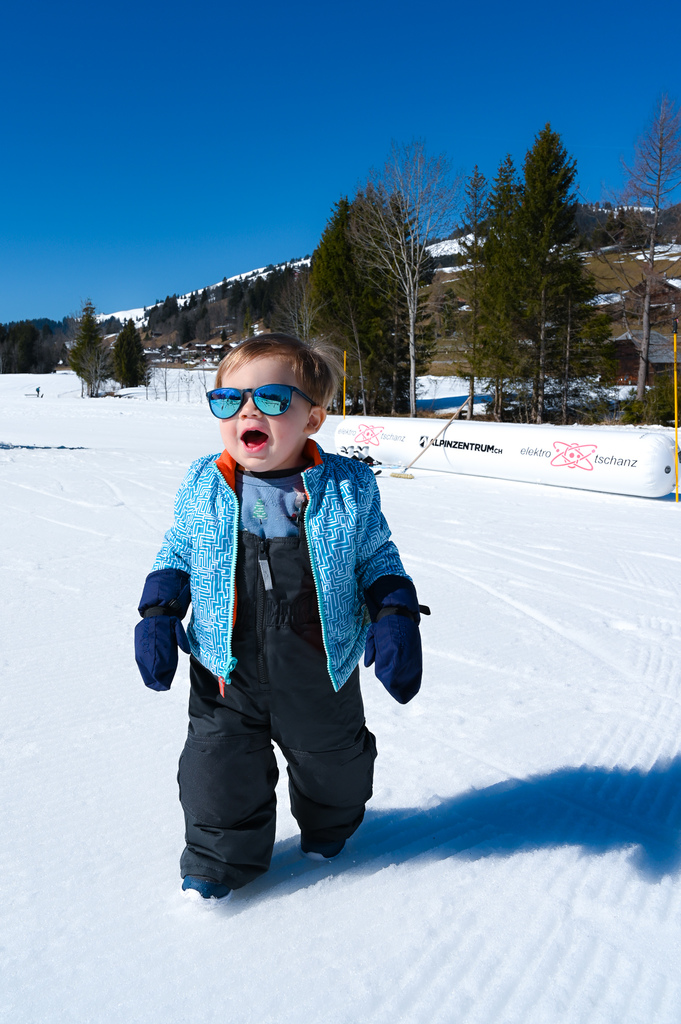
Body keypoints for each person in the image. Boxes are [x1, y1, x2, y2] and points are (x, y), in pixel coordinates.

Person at [134, 333, 424, 904]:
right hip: (226, 670)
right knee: (217, 771)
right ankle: (220, 864)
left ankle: (330, 828)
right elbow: (179, 550)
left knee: (334, 769)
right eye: (229, 401)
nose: (247, 411)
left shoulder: (347, 487)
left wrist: (394, 612)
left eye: (269, 398)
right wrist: (159, 608)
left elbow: (376, 557)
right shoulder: (205, 481)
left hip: (319, 667)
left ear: (312, 418)